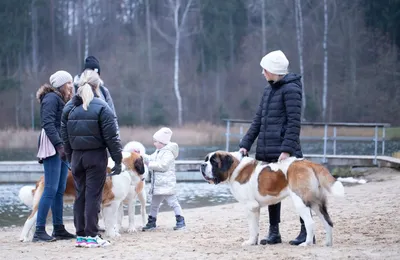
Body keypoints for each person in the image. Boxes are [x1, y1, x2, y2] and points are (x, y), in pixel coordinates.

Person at [239, 50, 308, 246]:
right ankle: (274, 232)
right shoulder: (268, 90)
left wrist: (286, 150)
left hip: (287, 152)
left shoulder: (292, 90)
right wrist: (245, 144)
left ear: (274, 70)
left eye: (265, 69)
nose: (262, 73)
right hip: (267, 151)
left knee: (299, 191)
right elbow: (258, 121)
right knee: (271, 191)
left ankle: (305, 230)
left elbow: (294, 123)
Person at [61, 69, 123, 248]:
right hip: (96, 157)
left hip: (77, 157)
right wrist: (117, 160)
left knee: (80, 195)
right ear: (98, 86)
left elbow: (65, 137)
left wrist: (71, 158)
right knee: (93, 196)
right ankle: (92, 235)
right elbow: (112, 138)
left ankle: (80, 235)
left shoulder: (69, 107)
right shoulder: (102, 107)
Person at [34, 70, 75, 242]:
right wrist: (59, 145)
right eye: (69, 83)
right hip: (53, 146)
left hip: (61, 146)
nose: (72, 86)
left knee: (59, 189)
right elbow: (48, 123)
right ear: (61, 84)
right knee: (50, 188)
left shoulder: (60, 99)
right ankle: (39, 231)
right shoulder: (51, 98)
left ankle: (58, 228)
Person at [141, 127, 186, 231]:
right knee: (154, 204)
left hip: (166, 184)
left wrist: (149, 165)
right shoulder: (158, 151)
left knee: (173, 203)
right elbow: (150, 158)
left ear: (162, 142)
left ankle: (181, 221)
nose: (154, 143)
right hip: (158, 185)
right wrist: (142, 156)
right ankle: (151, 223)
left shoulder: (168, 153)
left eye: (156, 141)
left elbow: (163, 166)